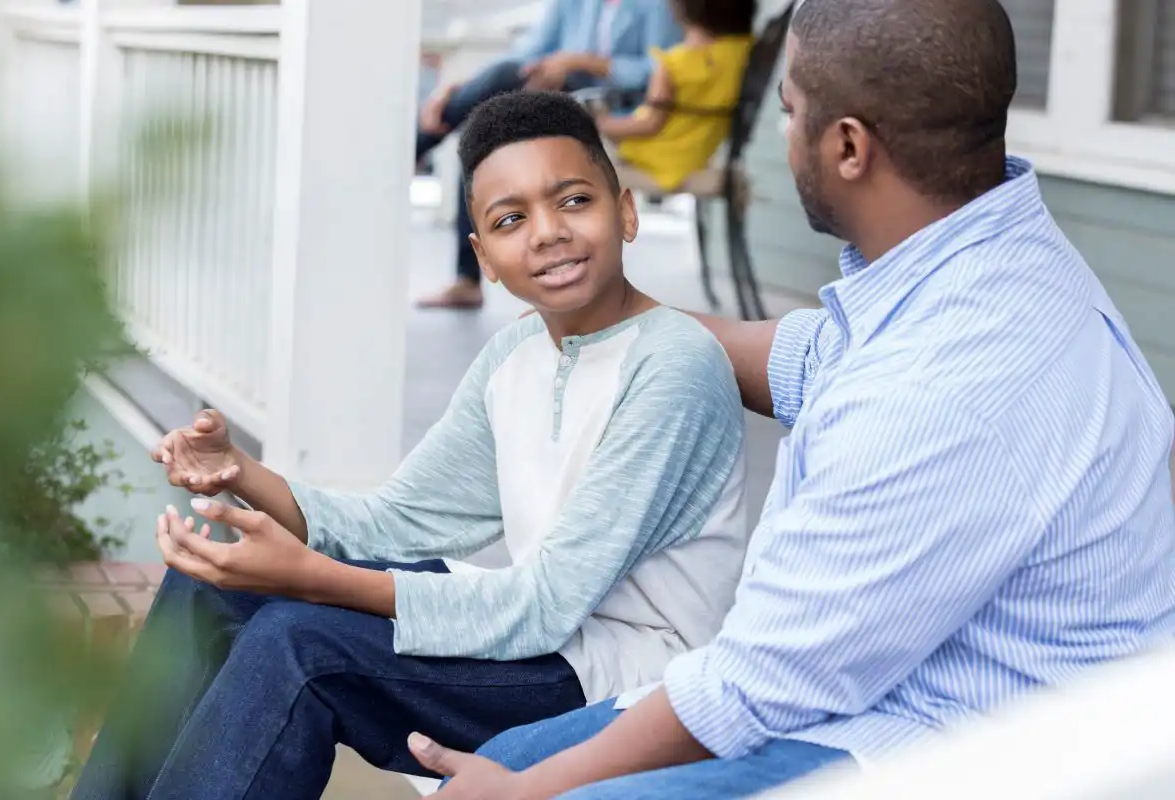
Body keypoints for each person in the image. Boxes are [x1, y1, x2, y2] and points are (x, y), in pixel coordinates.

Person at [407, 1, 1175, 798]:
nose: (782, 133)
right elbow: (817, 359)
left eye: (789, 111)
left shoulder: (939, 391)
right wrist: (604, 315)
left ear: (847, 146)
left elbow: (758, 683)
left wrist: (529, 793)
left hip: (966, 751)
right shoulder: (986, 257)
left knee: (525, 781)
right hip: (884, 688)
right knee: (514, 751)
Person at [71, 93, 750, 800]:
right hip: (539, 639)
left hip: (622, 678)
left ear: (627, 211)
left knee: (299, 646)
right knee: (214, 580)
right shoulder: (516, 354)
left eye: (573, 201)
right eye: (511, 219)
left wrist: (304, 575)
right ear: (484, 257)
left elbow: (546, 603)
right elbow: (396, 521)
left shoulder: (675, 364)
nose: (547, 233)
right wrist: (240, 472)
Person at [415, 0, 681, 310]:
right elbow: (527, 52)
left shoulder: (657, 5)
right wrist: (463, 86)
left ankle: (416, 149)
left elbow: (658, 70)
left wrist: (582, 62)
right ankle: (466, 281)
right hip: (557, 96)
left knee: (485, 110)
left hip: (612, 104)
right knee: (484, 125)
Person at [596, 0, 755, 192]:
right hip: (699, 153)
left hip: (660, 163)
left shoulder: (672, 65)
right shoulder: (743, 51)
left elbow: (649, 124)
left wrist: (602, 124)